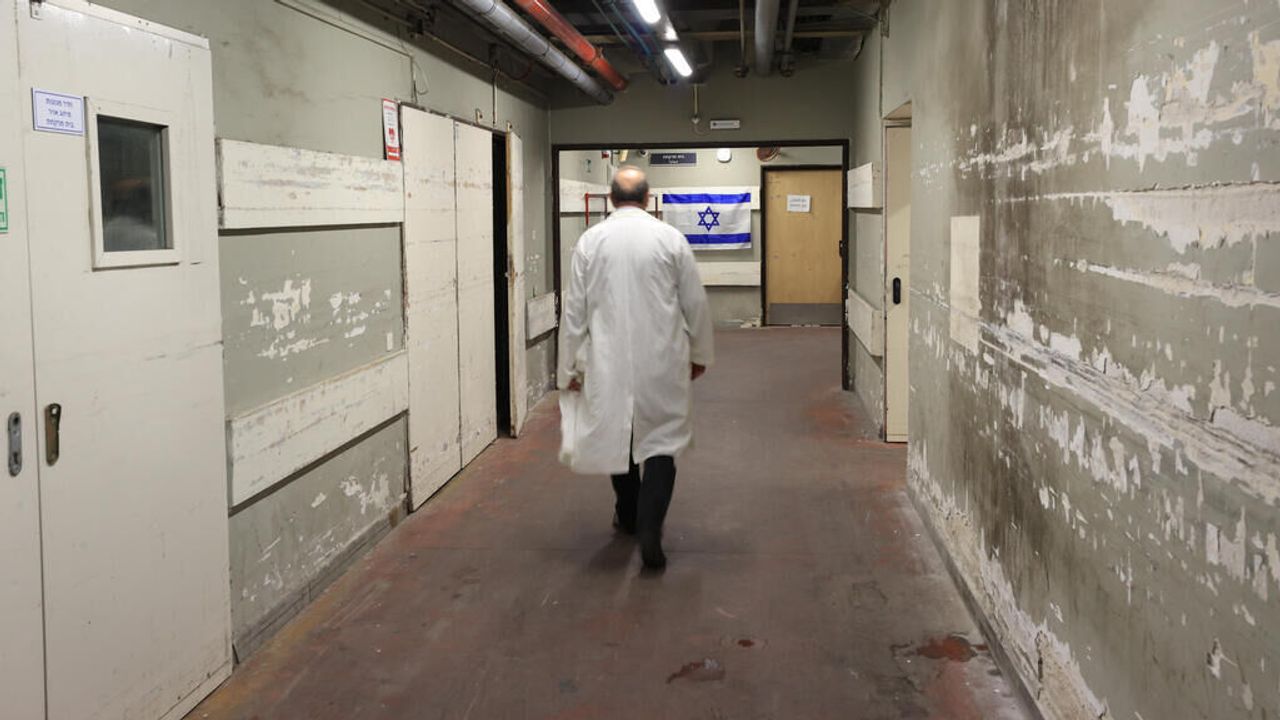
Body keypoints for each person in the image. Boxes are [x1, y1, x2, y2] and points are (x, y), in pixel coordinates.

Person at [558, 165, 714, 570]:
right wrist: (700, 353)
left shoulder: (590, 242)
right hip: (662, 359)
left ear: (611, 199)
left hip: (608, 361)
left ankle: (628, 515)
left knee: (620, 437)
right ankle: (650, 527)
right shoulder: (670, 239)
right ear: (647, 198)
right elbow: (694, 302)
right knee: (661, 442)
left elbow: (574, 311)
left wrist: (568, 368)